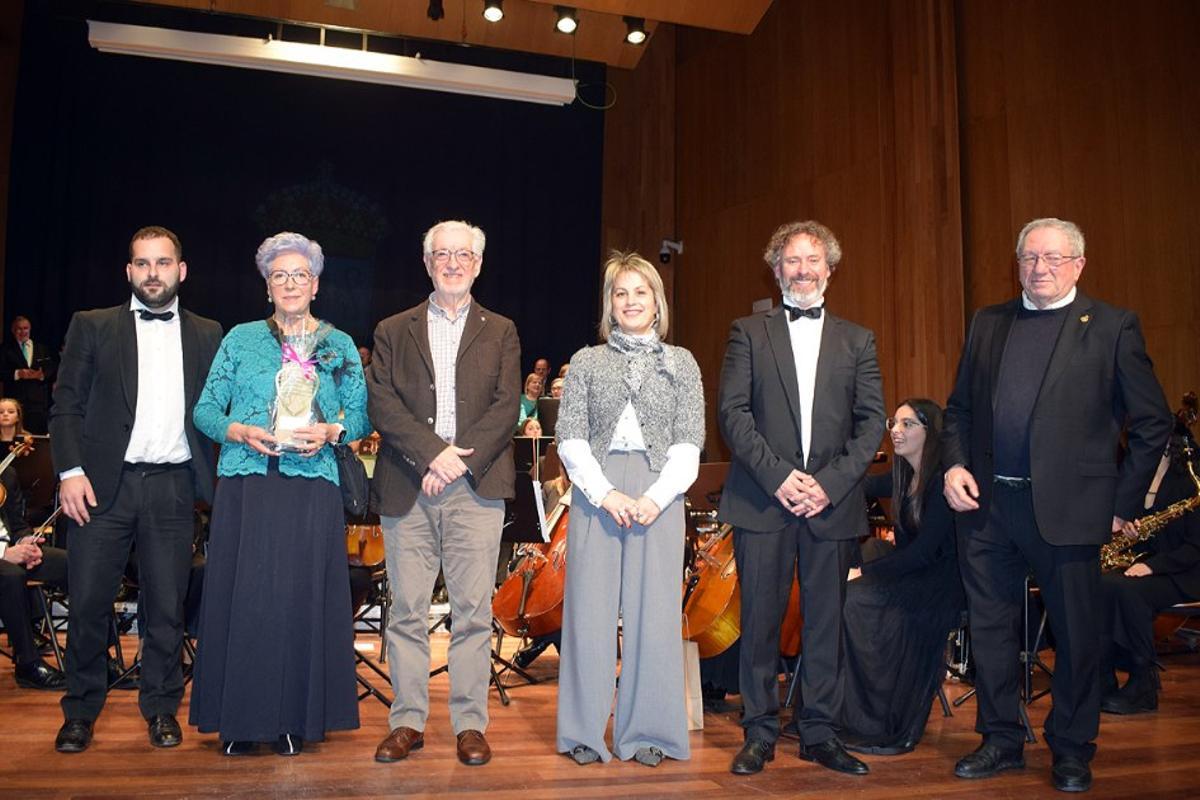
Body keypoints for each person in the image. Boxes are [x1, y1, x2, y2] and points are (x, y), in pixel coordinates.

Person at [942, 217, 1171, 792]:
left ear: (1078, 265)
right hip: (989, 506)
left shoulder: (1114, 326)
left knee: (1077, 634)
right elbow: (960, 411)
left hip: (1072, 511)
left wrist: (1123, 502)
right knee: (991, 630)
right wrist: (953, 464)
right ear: (1016, 262)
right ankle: (1000, 739)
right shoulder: (988, 323)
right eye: (1028, 258)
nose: (1038, 268)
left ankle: (1071, 747)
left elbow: (1152, 422)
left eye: (1051, 258)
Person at [189, 231, 369, 757]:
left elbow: (358, 415)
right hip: (249, 482)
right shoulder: (239, 339)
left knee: (299, 599)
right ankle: (240, 720)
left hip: (311, 487)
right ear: (267, 287)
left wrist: (331, 430)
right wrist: (240, 431)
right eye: (279, 276)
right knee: (245, 598)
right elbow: (205, 410)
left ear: (315, 284)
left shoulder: (338, 344)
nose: (290, 283)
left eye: (299, 275)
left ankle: (295, 717)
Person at [718, 219, 884, 777]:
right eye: (792, 260)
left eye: (814, 260)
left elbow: (871, 424)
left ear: (830, 272)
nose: (804, 270)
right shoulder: (747, 331)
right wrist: (780, 478)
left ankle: (820, 733)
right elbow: (733, 416)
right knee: (760, 621)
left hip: (832, 505)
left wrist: (829, 485)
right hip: (764, 500)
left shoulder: (858, 340)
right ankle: (759, 731)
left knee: (825, 624)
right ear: (776, 268)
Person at [49, 226, 223, 753]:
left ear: (181, 271)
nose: (153, 273)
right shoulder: (92, 326)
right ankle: (79, 711)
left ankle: (162, 708)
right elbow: (66, 406)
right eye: (143, 264)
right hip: (102, 488)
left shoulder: (208, 333)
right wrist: (69, 472)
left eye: (163, 263)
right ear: (129, 272)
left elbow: (219, 414)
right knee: (87, 605)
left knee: (167, 608)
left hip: (173, 487)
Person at [368, 219, 520, 767]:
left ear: (478, 264)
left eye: (463, 255)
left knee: (473, 613)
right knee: (406, 611)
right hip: (408, 483)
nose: (452, 263)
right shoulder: (392, 328)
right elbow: (382, 404)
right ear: (427, 262)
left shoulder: (501, 329)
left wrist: (453, 463)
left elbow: (506, 407)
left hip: (476, 488)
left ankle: (469, 725)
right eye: (442, 255)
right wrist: (433, 453)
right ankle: (407, 721)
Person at [555, 252, 703, 767]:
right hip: (598, 492)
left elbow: (690, 441)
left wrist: (654, 498)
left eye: (641, 292)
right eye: (621, 293)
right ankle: (583, 733)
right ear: (609, 304)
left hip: (659, 493)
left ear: (657, 302)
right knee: (588, 615)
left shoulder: (681, 362)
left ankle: (650, 734)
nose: (631, 301)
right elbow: (570, 437)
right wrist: (605, 493)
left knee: (654, 616)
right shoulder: (587, 362)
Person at [839, 399, 964, 754]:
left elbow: (924, 553)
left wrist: (863, 571)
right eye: (895, 422)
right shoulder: (903, 474)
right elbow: (858, 486)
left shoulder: (940, 480)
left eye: (908, 424)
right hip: (916, 571)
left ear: (930, 432)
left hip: (942, 581)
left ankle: (874, 713)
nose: (896, 430)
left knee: (857, 597)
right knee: (855, 582)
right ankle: (851, 706)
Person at [1098, 424, 1200, 715]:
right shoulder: (1142, 478)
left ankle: (1143, 682)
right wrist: (1132, 531)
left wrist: (1150, 566)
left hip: (1187, 572)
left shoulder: (1191, 482)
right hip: (1156, 565)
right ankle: (1104, 676)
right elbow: (1156, 533)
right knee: (1101, 583)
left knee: (1128, 591)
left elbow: (1194, 547)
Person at [0, 461, 68, 689]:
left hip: (11, 551)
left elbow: (18, 526)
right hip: (5, 560)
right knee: (10, 575)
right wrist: (4, 553)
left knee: (75, 564)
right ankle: (27, 664)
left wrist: (25, 543)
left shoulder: (5, 473)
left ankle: (93, 654)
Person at [0, 316, 57, 433]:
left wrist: (41, 375)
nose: (23, 332)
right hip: (15, 404)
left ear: (30, 329)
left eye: (25, 328)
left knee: (38, 440)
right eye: (19, 329)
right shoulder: (5, 349)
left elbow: (51, 369)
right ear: (13, 330)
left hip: (38, 404)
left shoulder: (42, 348)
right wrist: (18, 374)